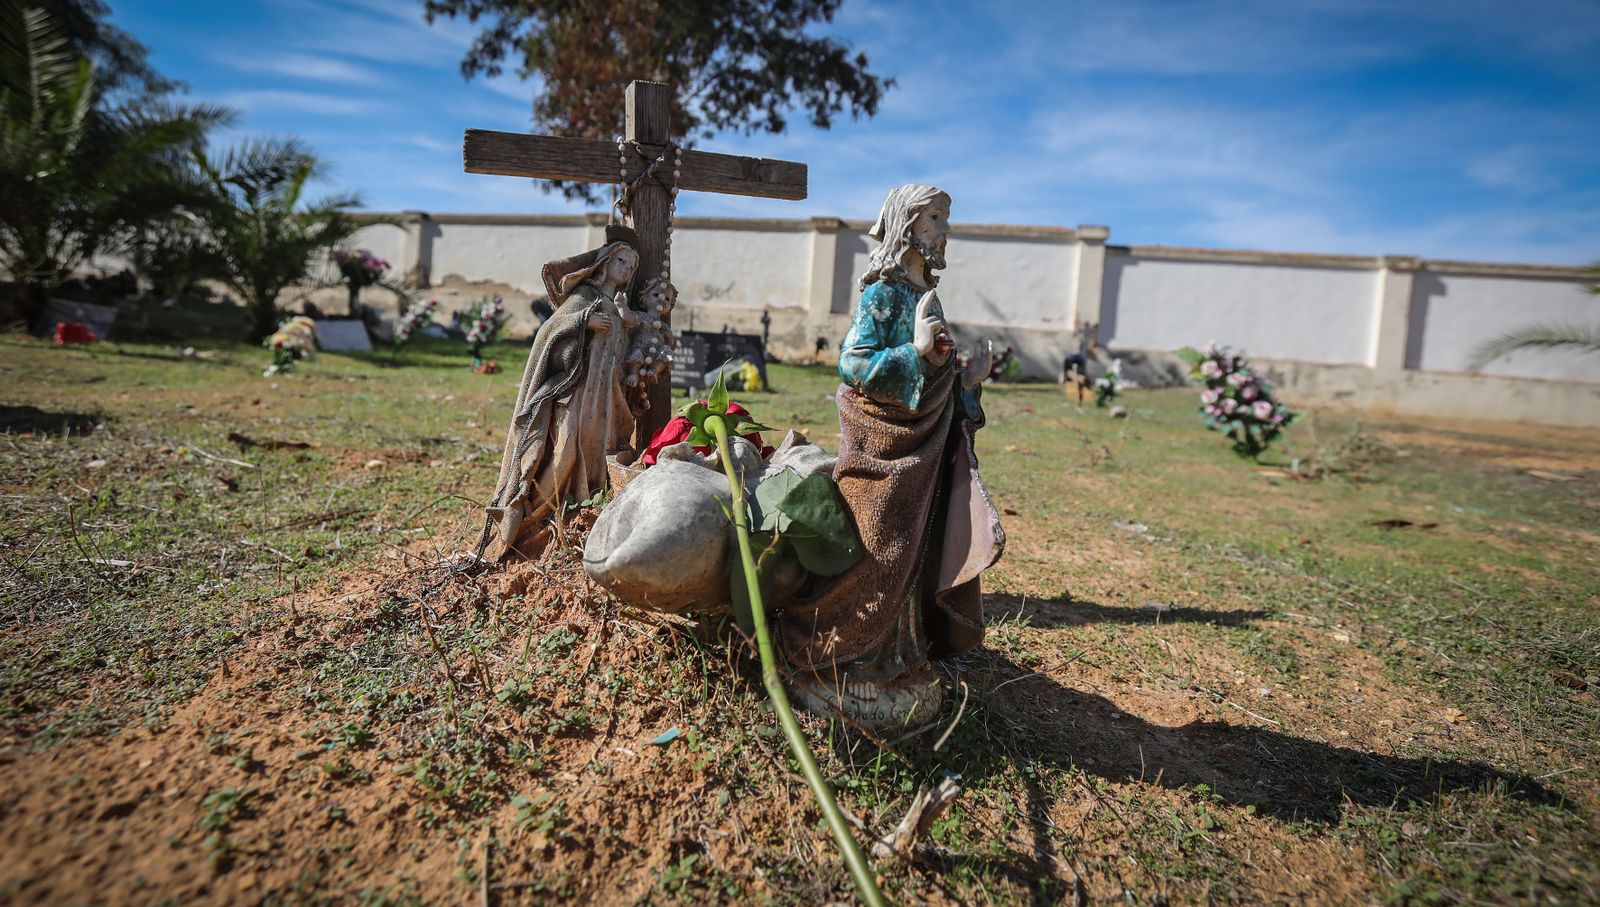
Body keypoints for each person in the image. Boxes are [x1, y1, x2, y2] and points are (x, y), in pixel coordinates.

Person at [782, 184, 1004, 730]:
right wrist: (916, 351)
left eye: (945, 219)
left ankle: (893, 656)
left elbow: (934, 371)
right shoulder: (883, 293)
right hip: (882, 447)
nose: (944, 230)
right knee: (878, 544)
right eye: (935, 218)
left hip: (921, 449)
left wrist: (963, 379)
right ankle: (835, 654)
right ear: (908, 223)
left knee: (912, 550)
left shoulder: (924, 292)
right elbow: (854, 364)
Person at [479, 225, 642, 560]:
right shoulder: (584, 297)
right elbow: (548, 332)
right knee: (565, 450)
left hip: (605, 397)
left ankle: (579, 516)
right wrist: (585, 322)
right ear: (606, 261)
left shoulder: (620, 306)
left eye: (631, 265)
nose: (626, 268)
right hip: (575, 390)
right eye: (621, 260)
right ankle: (531, 517)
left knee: (598, 454)